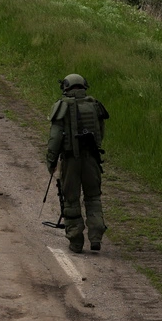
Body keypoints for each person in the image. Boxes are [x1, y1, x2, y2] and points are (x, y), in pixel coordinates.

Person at [45, 74, 109, 253]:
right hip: (92, 159)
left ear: (66, 87)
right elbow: (100, 133)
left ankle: (76, 241)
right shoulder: (95, 106)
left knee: (71, 201)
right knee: (93, 198)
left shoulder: (62, 107)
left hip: (71, 161)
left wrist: (51, 161)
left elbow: (55, 138)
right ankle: (96, 236)